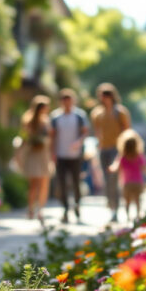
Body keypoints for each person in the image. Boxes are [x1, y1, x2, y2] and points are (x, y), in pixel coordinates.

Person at [90, 83, 130, 223]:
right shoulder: (97, 113)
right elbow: (97, 132)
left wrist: (124, 151)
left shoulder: (120, 112)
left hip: (116, 149)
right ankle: (111, 206)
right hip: (103, 150)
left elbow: (126, 131)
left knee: (114, 179)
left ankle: (116, 209)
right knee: (106, 181)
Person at [50, 88, 89, 223]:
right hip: (61, 154)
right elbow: (52, 136)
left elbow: (85, 132)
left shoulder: (79, 115)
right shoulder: (56, 117)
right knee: (61, 183)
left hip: (75, 155)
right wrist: (52, 153)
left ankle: (77, 204)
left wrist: (79, 142)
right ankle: (66, 208)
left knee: (76, 182)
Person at [20, 95, 52, 222]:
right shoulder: (29, 120)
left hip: (43, 153)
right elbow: (25, 137)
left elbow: (50, 137)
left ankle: (40, 209)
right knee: (34, 184)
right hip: (33, 153)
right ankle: (31, 208)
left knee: (43, 182)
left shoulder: (46, 121)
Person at [109, 129, 146, 222]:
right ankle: (138, 215)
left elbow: (117, 167)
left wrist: (111, 168)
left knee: (127, 201)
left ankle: (128, 216)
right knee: (138, 200)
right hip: (138, 182)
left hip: (126, 182)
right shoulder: (139, 156)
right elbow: (144, 168)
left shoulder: (122, 157)